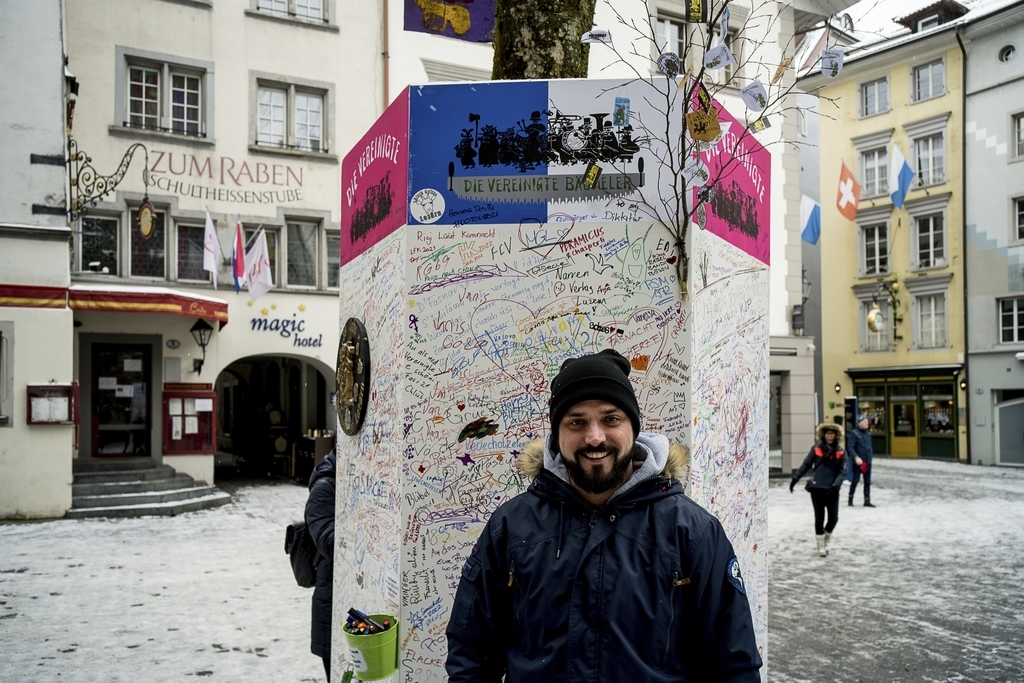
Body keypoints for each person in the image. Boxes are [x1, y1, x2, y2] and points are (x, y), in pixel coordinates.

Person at [446, 349, 763, 682]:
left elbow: (734, 664)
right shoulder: (510, 527)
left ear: (633, 427)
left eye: (611, 419)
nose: (594, 436)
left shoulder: (693, 531)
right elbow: (471, 652)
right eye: (577, 422)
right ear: (557, 433)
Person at [790, 423, 847, 557]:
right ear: (823, 435)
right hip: (817, 488)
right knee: (819, 517)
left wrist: (836, 485)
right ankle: (821, 545)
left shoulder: (840, 452)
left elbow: (843, 471)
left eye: (832, 434)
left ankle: (824, 540)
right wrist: (795, 479)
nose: (830, 436)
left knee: (833, 518)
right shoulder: (816, 449)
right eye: (827, 434)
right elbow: (806, 464)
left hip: (832, 489)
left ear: (836, 436)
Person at [305, 450, 336, 679]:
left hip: (353, 593)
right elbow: (327, 540)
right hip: (331, 596)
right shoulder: (324, 487)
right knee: (336, 673)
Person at [846, 414, 875, 507]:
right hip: (858, 462)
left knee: (867, 481)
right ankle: (850, 499)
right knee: (855, 480)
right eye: (865, 422)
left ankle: (867, 500)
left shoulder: (868, 434)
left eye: (867, 422)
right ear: (859, 423)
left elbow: (869, 447)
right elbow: (850, 447)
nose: (867, 424)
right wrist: (855, 457)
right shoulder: (854, 434)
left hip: (867, 461)